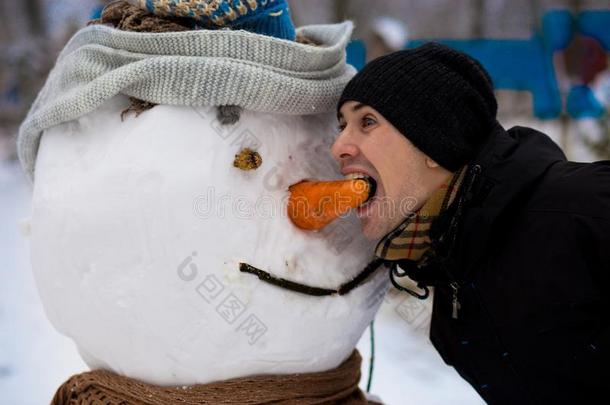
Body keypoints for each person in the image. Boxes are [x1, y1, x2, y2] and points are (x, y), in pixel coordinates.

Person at [332, 42, 609, 404]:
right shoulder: (452, 302)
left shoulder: (585, 209)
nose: (339, 147)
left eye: (367, 121)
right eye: (342, 126)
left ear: (433, 140)